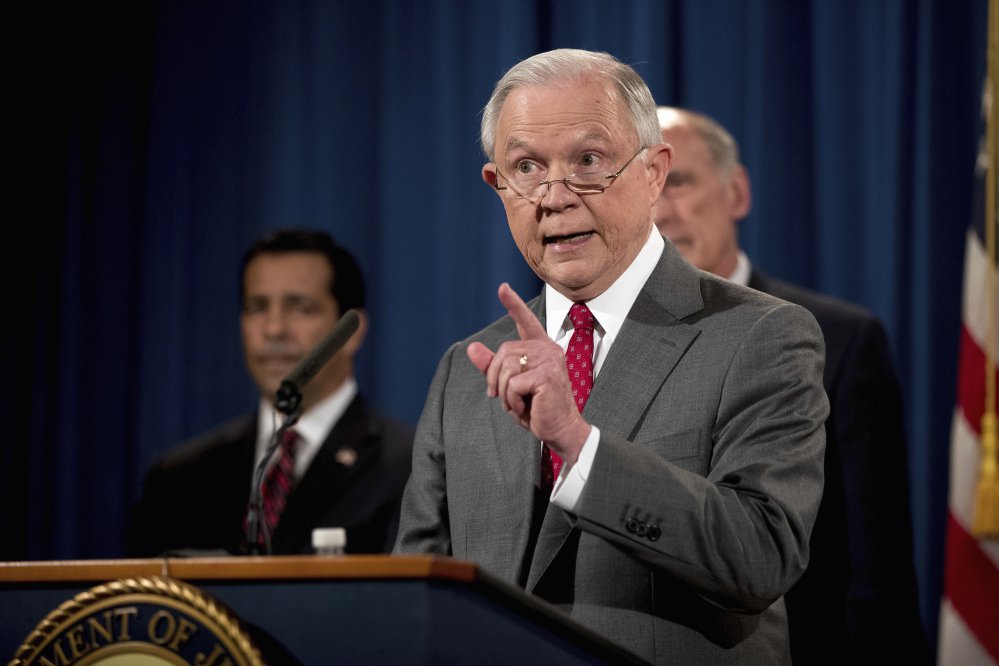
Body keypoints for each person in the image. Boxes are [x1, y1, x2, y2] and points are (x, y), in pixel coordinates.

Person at [394, 49, 829, 664]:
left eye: (588, 162)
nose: (554, 196)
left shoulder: (760, 335)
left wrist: (581, 445)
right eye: (526, 168)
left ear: (653, 172)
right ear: (497, 186)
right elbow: (417, 593)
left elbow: (761, 556)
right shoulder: (464, 371)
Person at [654, 106, 930, 663]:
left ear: (737, 193)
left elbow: (877, 572)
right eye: (641, 191)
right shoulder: (602, 345)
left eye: (677, 182)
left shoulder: (842, 338)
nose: (658, 212)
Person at [128, 229, 413, 556]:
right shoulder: (179, 479)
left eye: (301, 308)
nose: (273, 329)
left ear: (352, 331)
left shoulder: (410, 470)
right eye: (257, 307)